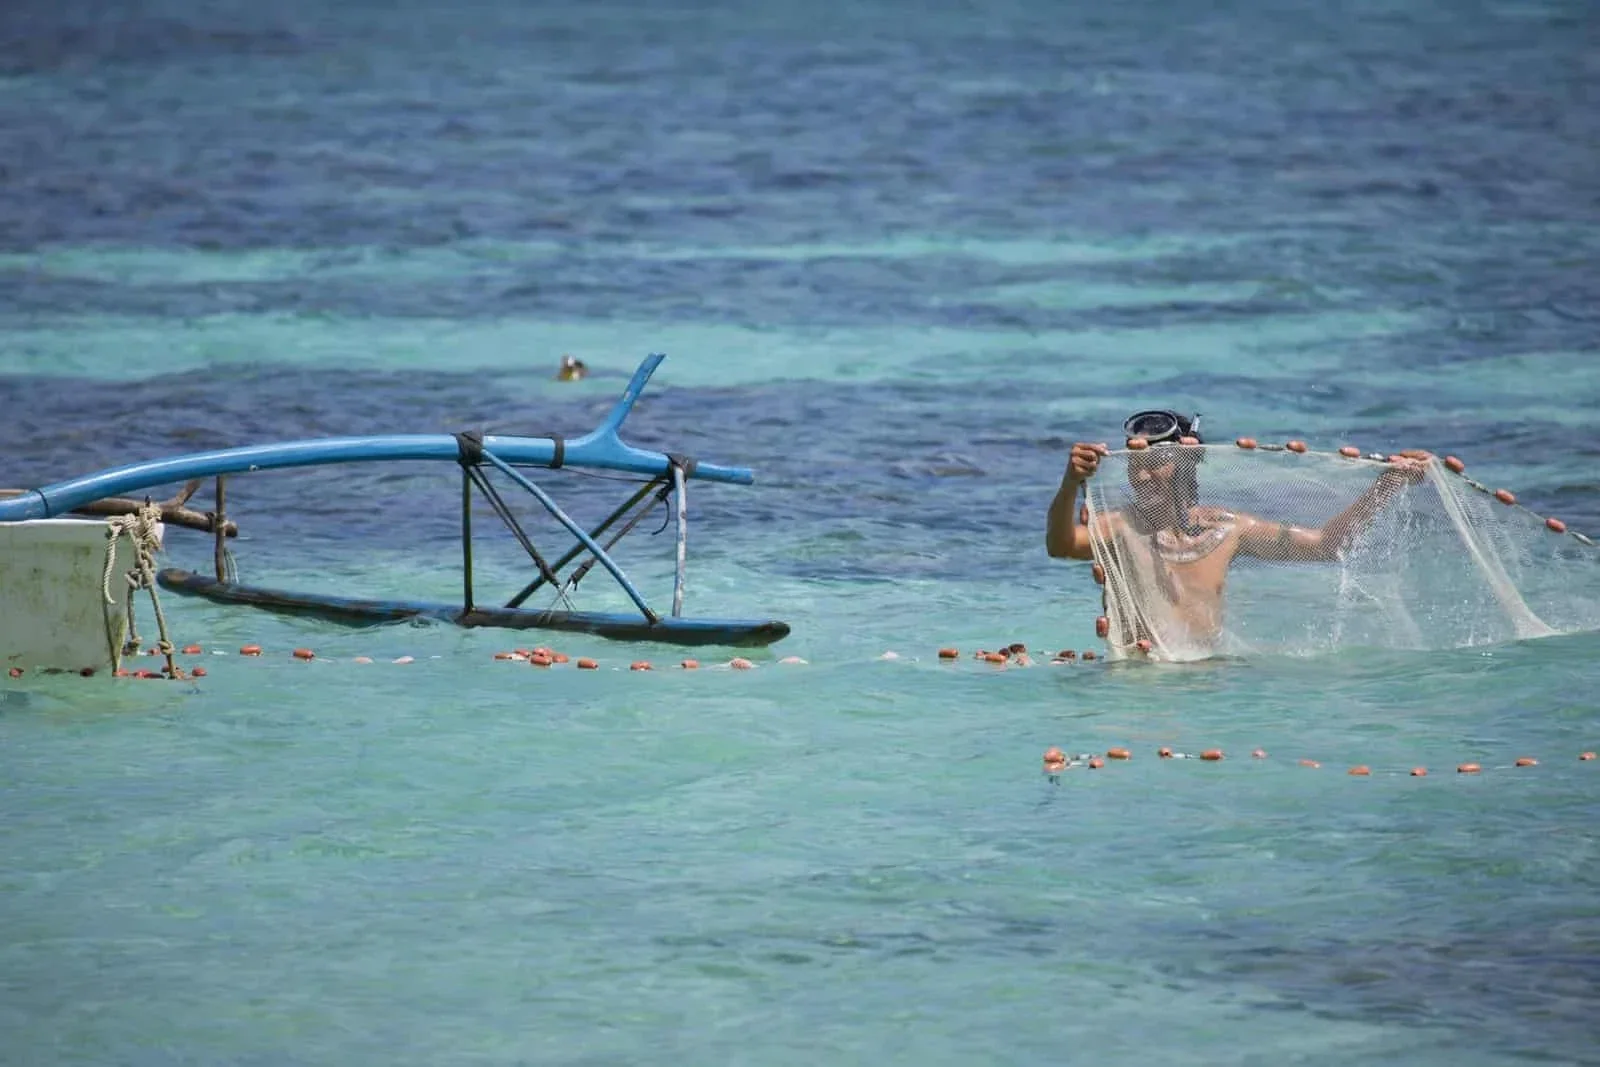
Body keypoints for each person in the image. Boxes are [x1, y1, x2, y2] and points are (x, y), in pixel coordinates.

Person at [1045, 409, 1432, 649]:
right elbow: (1060, 546)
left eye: (1155, 463)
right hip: (1138, 678)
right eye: (1134, 464)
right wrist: (1070, 481)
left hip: (1208, 679)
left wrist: (1387, 485)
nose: (1141, 475)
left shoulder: (1227, 530)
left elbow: (1326, 546)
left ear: (1187, 463)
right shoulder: (1121, 526)